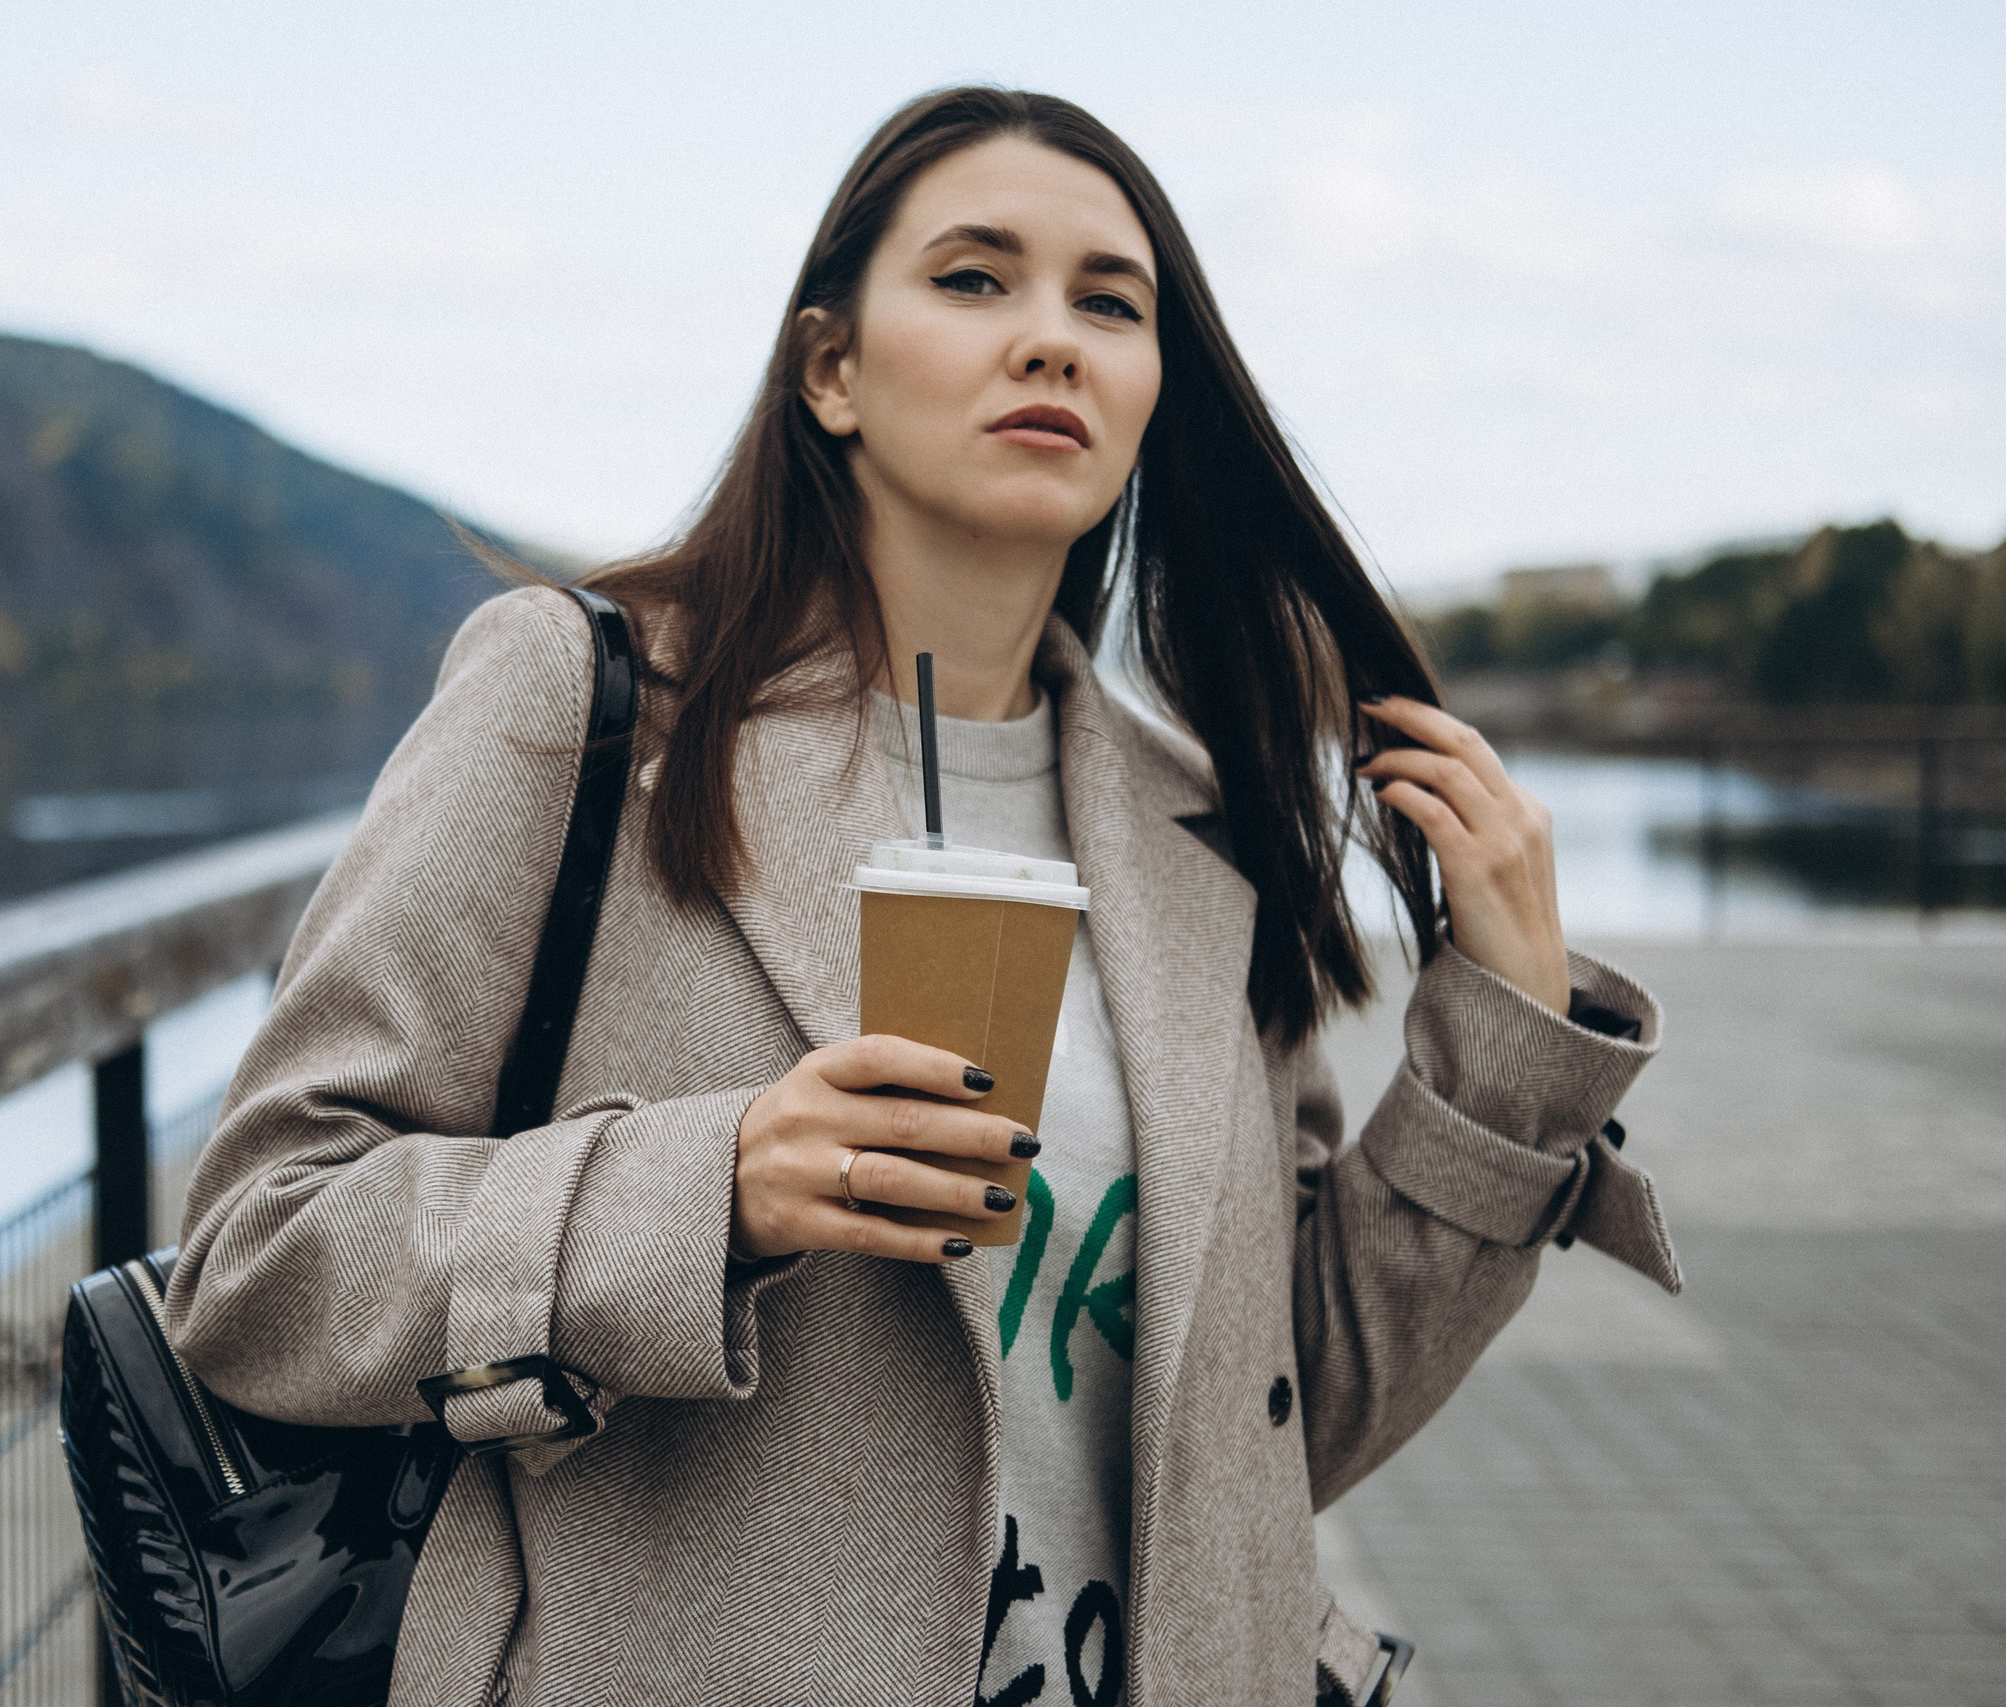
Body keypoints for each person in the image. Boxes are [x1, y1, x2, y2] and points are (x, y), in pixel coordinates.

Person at [166, 86, 1677, 1707]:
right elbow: (258, 1259)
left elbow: (1275, 1423)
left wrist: (1504, 1037)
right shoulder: (584, 710)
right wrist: (709, 1190)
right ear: (832, 369)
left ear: (1155, 392)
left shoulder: (1207, 832)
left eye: (1111, 301)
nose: (1052, 339)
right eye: (974, 279)